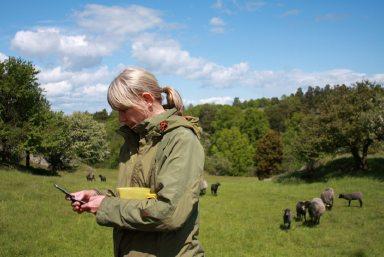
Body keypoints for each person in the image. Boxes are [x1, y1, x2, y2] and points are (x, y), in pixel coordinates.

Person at [69, 67, 205, 257]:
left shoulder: (180, 140)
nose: (121, 119)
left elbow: (170, 213)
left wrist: (106, 206)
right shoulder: (133, 141)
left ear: (147, 100)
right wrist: (96, 196)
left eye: (124, 110)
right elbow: (135, 196)